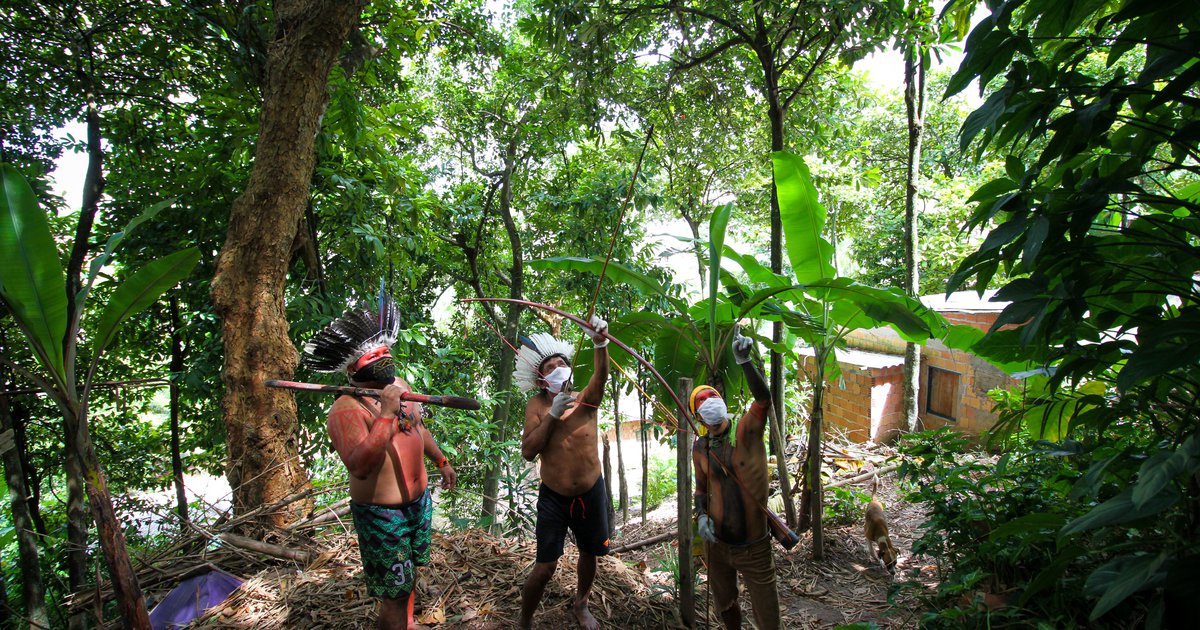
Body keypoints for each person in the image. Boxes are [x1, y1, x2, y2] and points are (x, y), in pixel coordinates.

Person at [303, 296, 456, 630]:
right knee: (394, 593)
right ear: (352, 367)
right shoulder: (346, 409)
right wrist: (386, 413)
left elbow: (419, 427)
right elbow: (360, 464)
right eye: (374, 354)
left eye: (387, 351)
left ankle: (408, 622)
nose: (384, 358)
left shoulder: (401, 387)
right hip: (382, 514)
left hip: (418, 503)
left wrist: (441, 460)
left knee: (409, 575)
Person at [515, 316, 610, 630]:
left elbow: (602, 377)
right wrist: (552, 416)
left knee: (589, 555)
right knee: (544, 567)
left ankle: (581, 604)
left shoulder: (585, 400)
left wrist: (600, 342)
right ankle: (525, 620)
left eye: (562, 364)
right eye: (551, 367)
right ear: (542, 380)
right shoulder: (536, 407)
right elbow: (529, 451)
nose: (559, 369)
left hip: (591, 491)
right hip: (554, 498)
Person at [692, 330, 780, 630]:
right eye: (701, 401)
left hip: (754, 546)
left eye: (712, 397)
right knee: (726, 608)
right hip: (718, 547)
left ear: (722, 401)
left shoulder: (746, 431)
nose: (708, 402)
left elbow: (763, 399)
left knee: (768, 618)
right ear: (698, 418)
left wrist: (744, 361)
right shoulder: (700, 447)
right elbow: (701, 489)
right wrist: (701, 516)